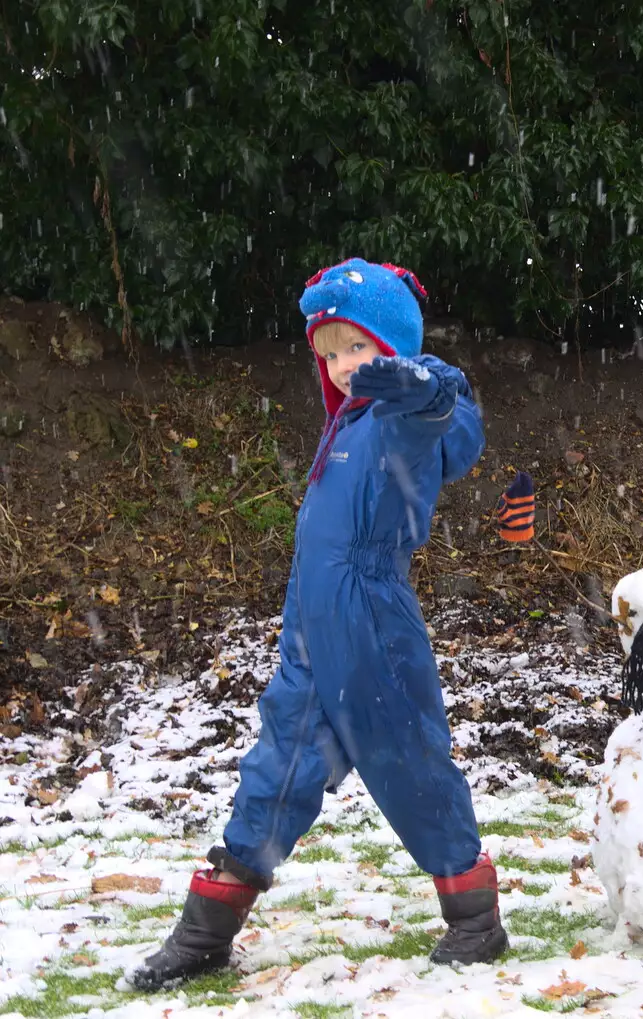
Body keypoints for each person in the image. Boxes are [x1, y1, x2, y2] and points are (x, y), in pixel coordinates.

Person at [128, 259, 507, 989]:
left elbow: (442, 413)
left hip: (372, 620)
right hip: (312, 619)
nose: (341, 367)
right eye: (328, 353)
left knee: (408, 760)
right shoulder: (346, 424)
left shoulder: (398, 417)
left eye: (356, 348)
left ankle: (473, 915)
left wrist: (423, 384)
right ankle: (208, 928)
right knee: (280, 763)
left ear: (390, 347)